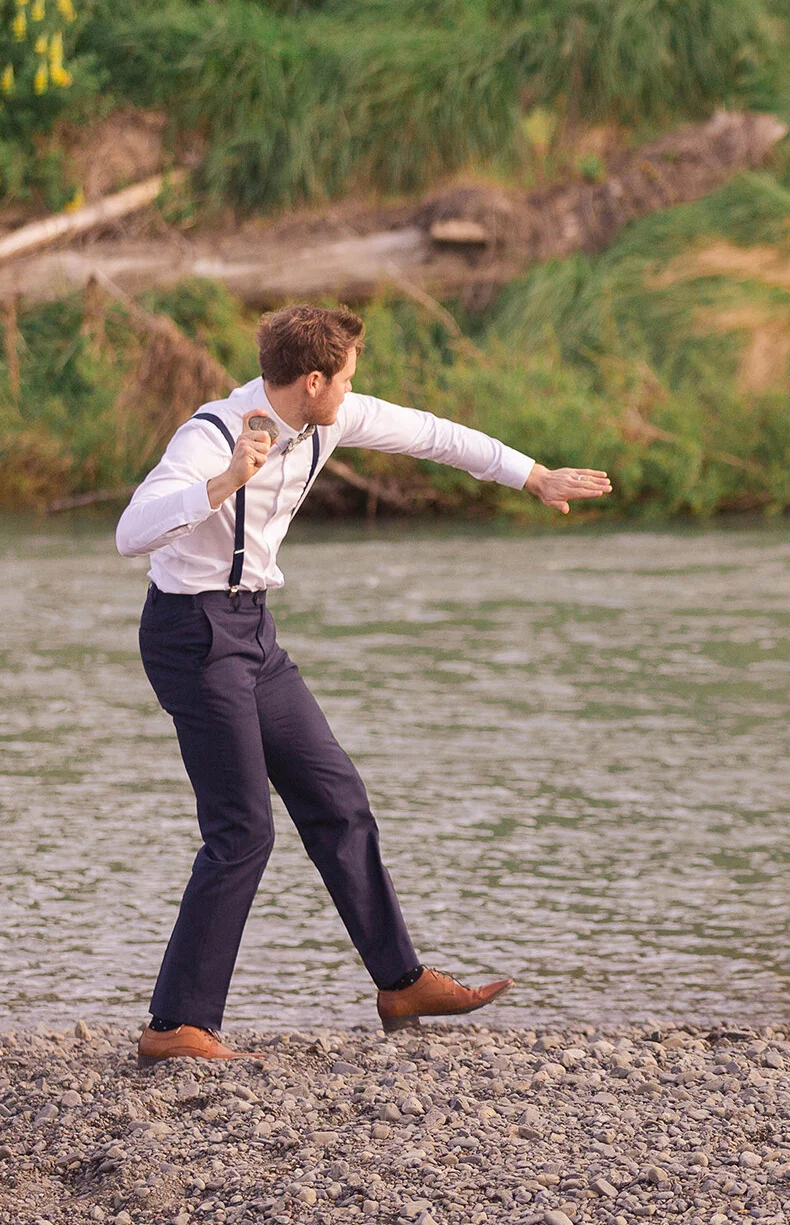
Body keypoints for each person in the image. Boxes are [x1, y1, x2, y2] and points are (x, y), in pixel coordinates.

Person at [114, 303, 612, 1064]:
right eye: (345, 379)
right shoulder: (210, 434)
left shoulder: (328, 420)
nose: (353, 390)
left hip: (253, 630)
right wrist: (222, 483)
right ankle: (175, 1024)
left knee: (337, 796)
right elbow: (130, 531)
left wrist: (533, 475)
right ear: (312, 380)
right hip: (190, 634)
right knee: (242, 829)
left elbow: (434, 434)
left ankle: (401, 981)